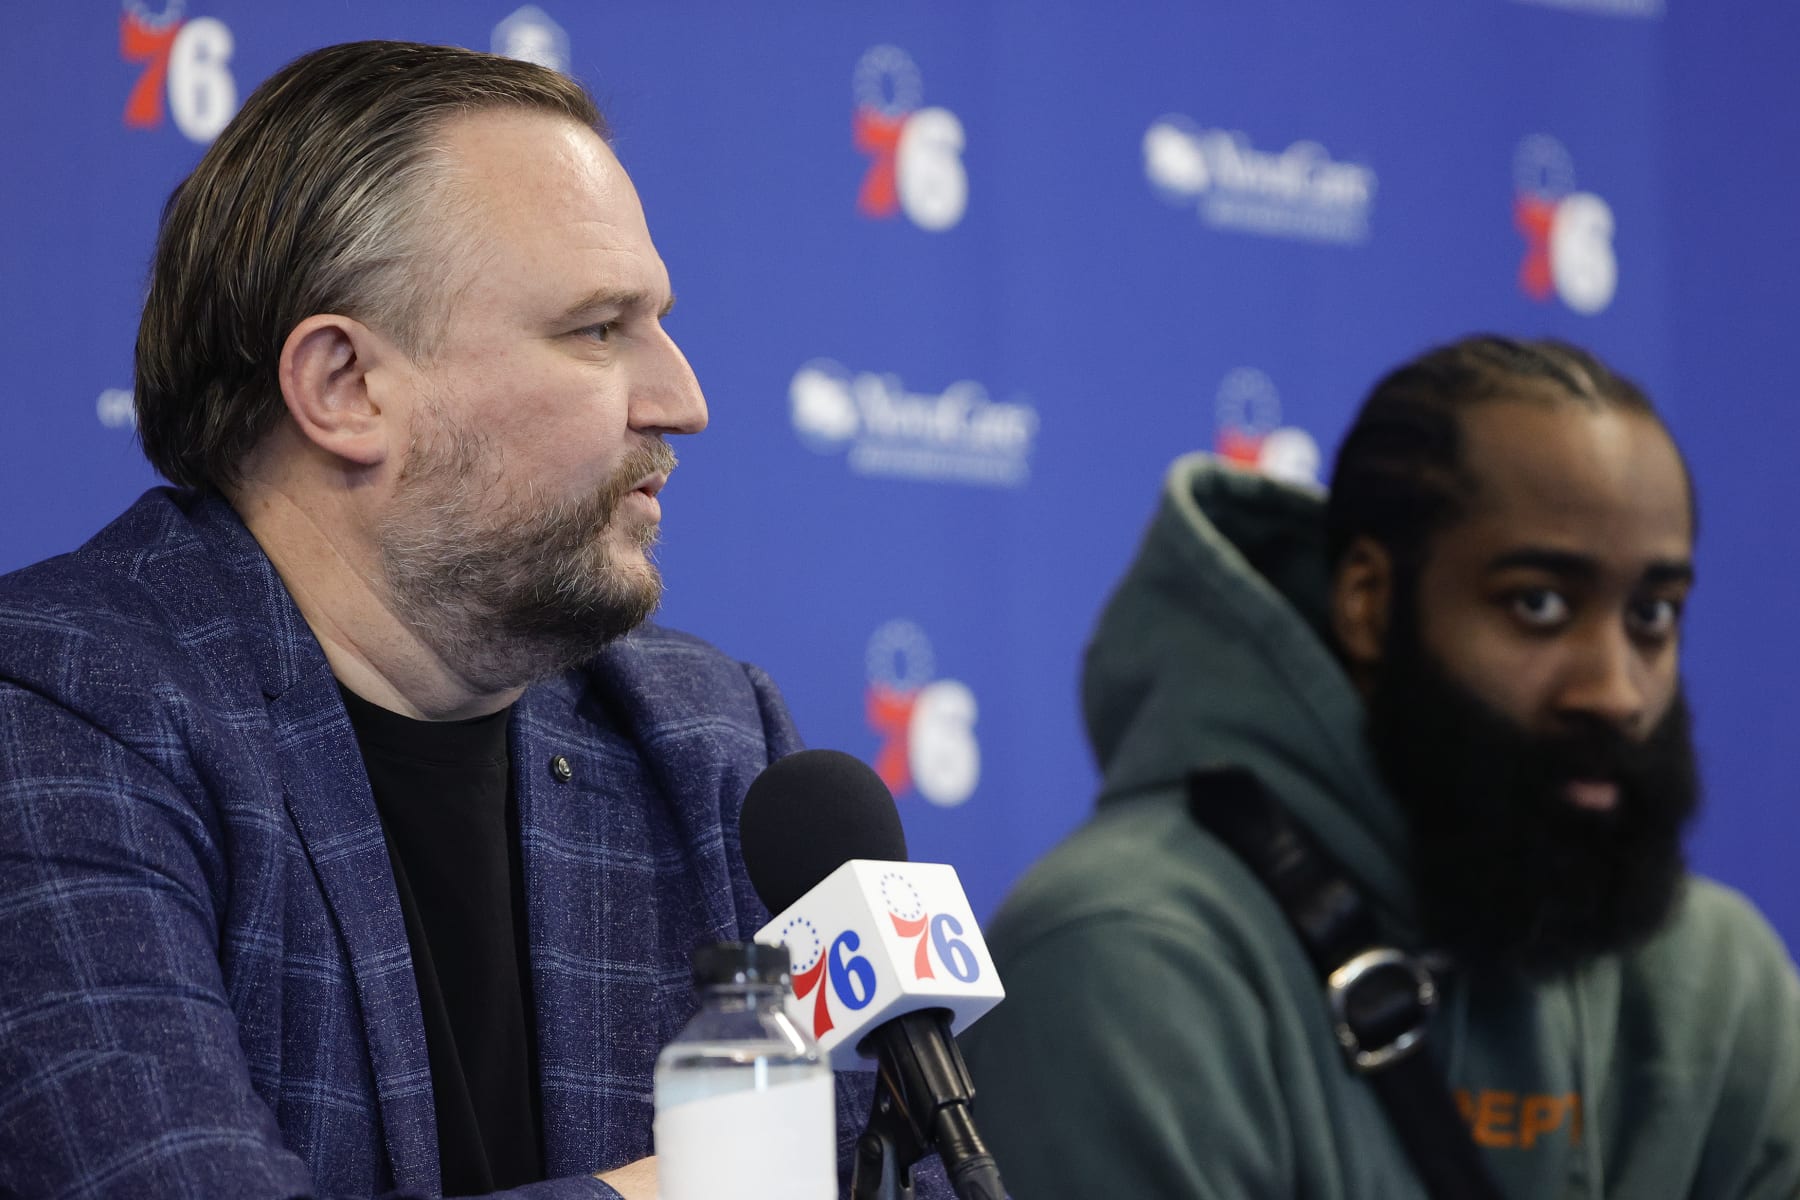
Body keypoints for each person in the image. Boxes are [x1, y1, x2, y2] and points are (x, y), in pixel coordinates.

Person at [0, 41, 951, 1200]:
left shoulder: (712, 745)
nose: (684, 401)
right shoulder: (56, 719)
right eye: (599, 329)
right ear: (346, 387)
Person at [959, 336, 1800, 1198]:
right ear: (1368, 602)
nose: (1617, 690)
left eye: (1653, 615)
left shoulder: (1722, 984)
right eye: (1538, 605)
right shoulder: (1131, 964)